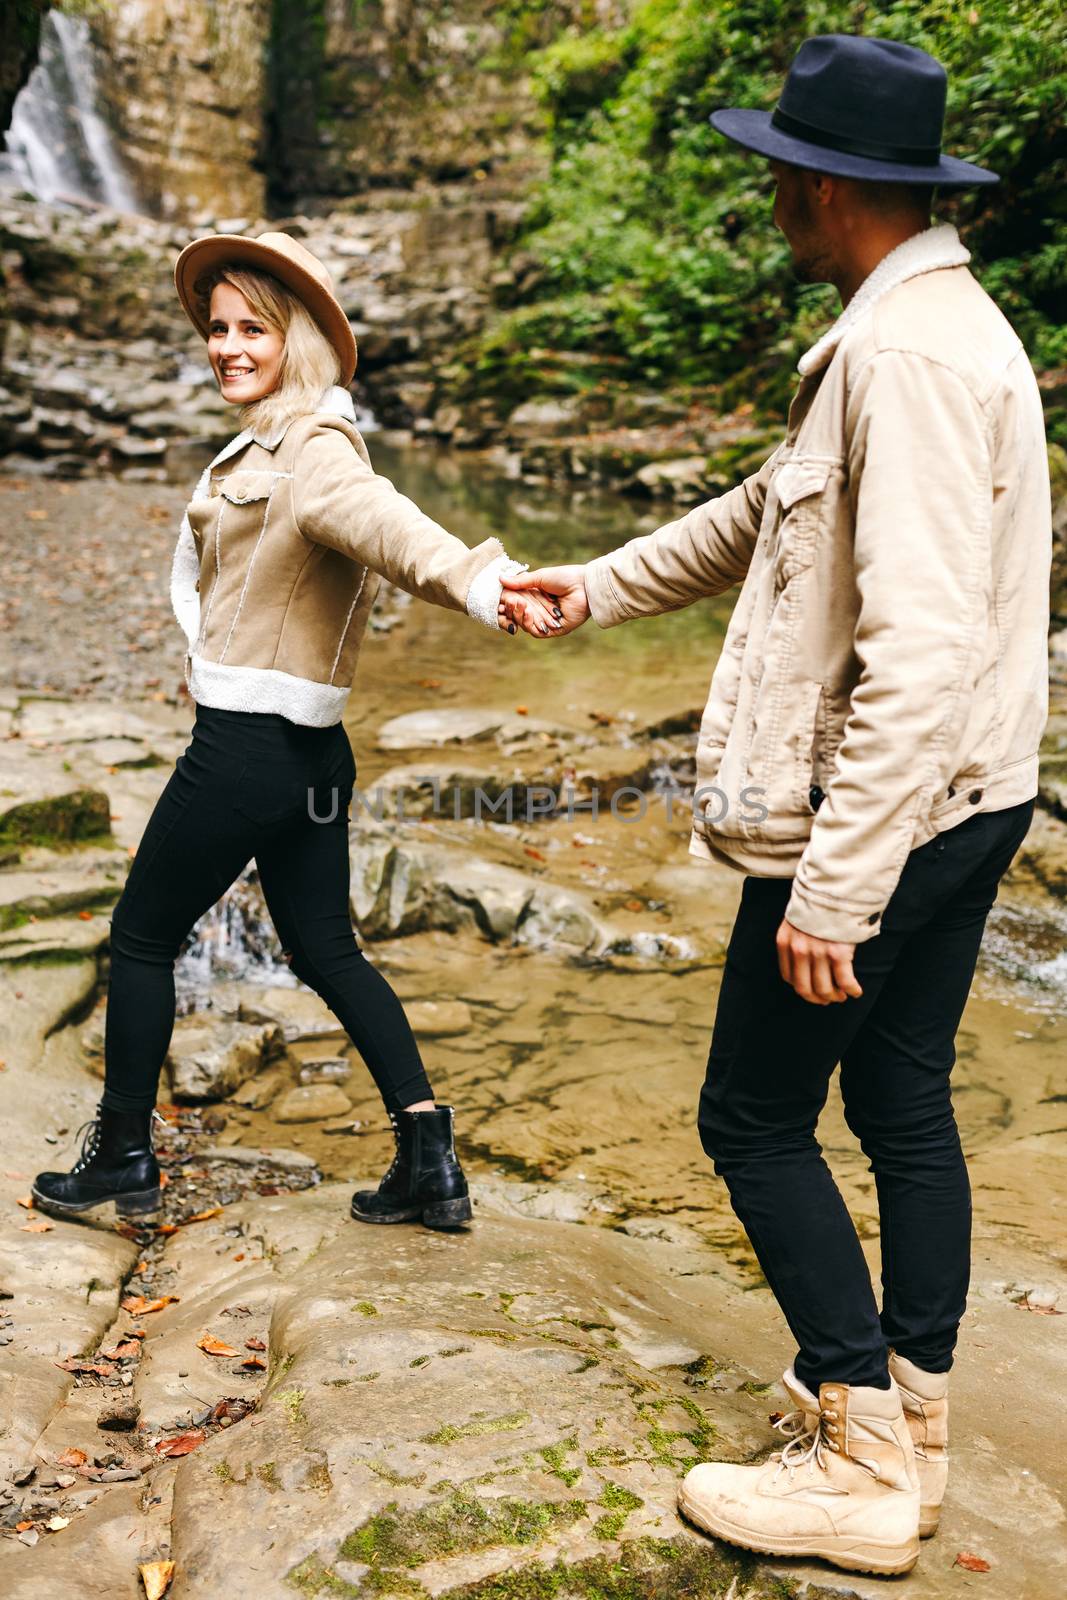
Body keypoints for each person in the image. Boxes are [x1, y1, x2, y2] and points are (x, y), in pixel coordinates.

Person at [501, 34, 1051, 1577]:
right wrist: (590, 588)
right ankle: (916, 1433)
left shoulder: (903, 359)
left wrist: (833, 884)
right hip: (969, 798)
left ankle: (858, 1456)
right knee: (895, 1102)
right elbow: (765, 514)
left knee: (747, 1116)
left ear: (823, 187)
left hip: (887, 810)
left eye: (773, 176)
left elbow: (921, 647)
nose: (764, 197)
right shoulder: (920, 331)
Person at [32, 230, 561, 1235]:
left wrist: (487, 584)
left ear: (299, 340)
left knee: (140, 936)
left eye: (252, 330)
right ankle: (427, 1154)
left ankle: (122, 1156)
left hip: (247, 748)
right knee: (326, 948)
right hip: (311, 752)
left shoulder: (315, 450)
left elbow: (393, 529)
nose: (227, 346)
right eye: (217, 327)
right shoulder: (276, 439)